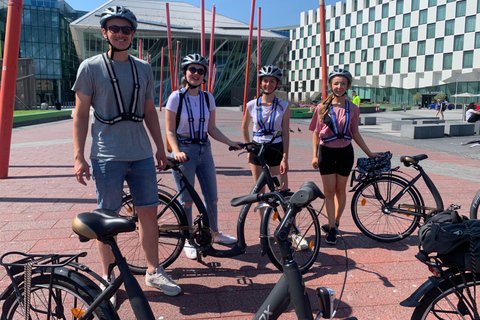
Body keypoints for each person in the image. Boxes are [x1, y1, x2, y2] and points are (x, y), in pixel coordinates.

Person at [72, 6, 181, 300]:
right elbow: (81, 114)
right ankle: (107, 276)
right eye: (115, 29)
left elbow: (148, 111)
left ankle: (153, 270)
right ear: (105, 32)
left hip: (142, 153)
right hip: (107, 155)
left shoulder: (142, 68)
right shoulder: (91, 67)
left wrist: (161, 147)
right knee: (106, 217)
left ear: (132, 33)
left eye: (126, 30)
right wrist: (78, 156)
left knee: (149, 213)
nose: (121, 34)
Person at [165, 53, 242, 260]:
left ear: (204, 75)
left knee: (212, 197)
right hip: (183, 150)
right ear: (185, 72)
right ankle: (188, 238)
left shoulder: (208, 98)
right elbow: (170, 131)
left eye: (200, 70)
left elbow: (212, 128)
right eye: (192, 69)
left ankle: (214, 233)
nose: (196, 74)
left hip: (204, 149)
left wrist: (230, 142)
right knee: (187, 200)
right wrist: (177, 151)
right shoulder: (176, 97)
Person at [309, 69, 381, 245]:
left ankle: (334, 224)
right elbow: (316, 133)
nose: (339, 86)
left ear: (348, 86)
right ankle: (332, 225)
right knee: (329, 191)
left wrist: (369, 152)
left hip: (345, 152)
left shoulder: (353, 109)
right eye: (336, 83)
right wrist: (314, 155)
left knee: (340, 190)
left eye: (343, 83)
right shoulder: (321, 108)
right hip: (326, 151)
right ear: (330, 85)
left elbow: (355, 133)